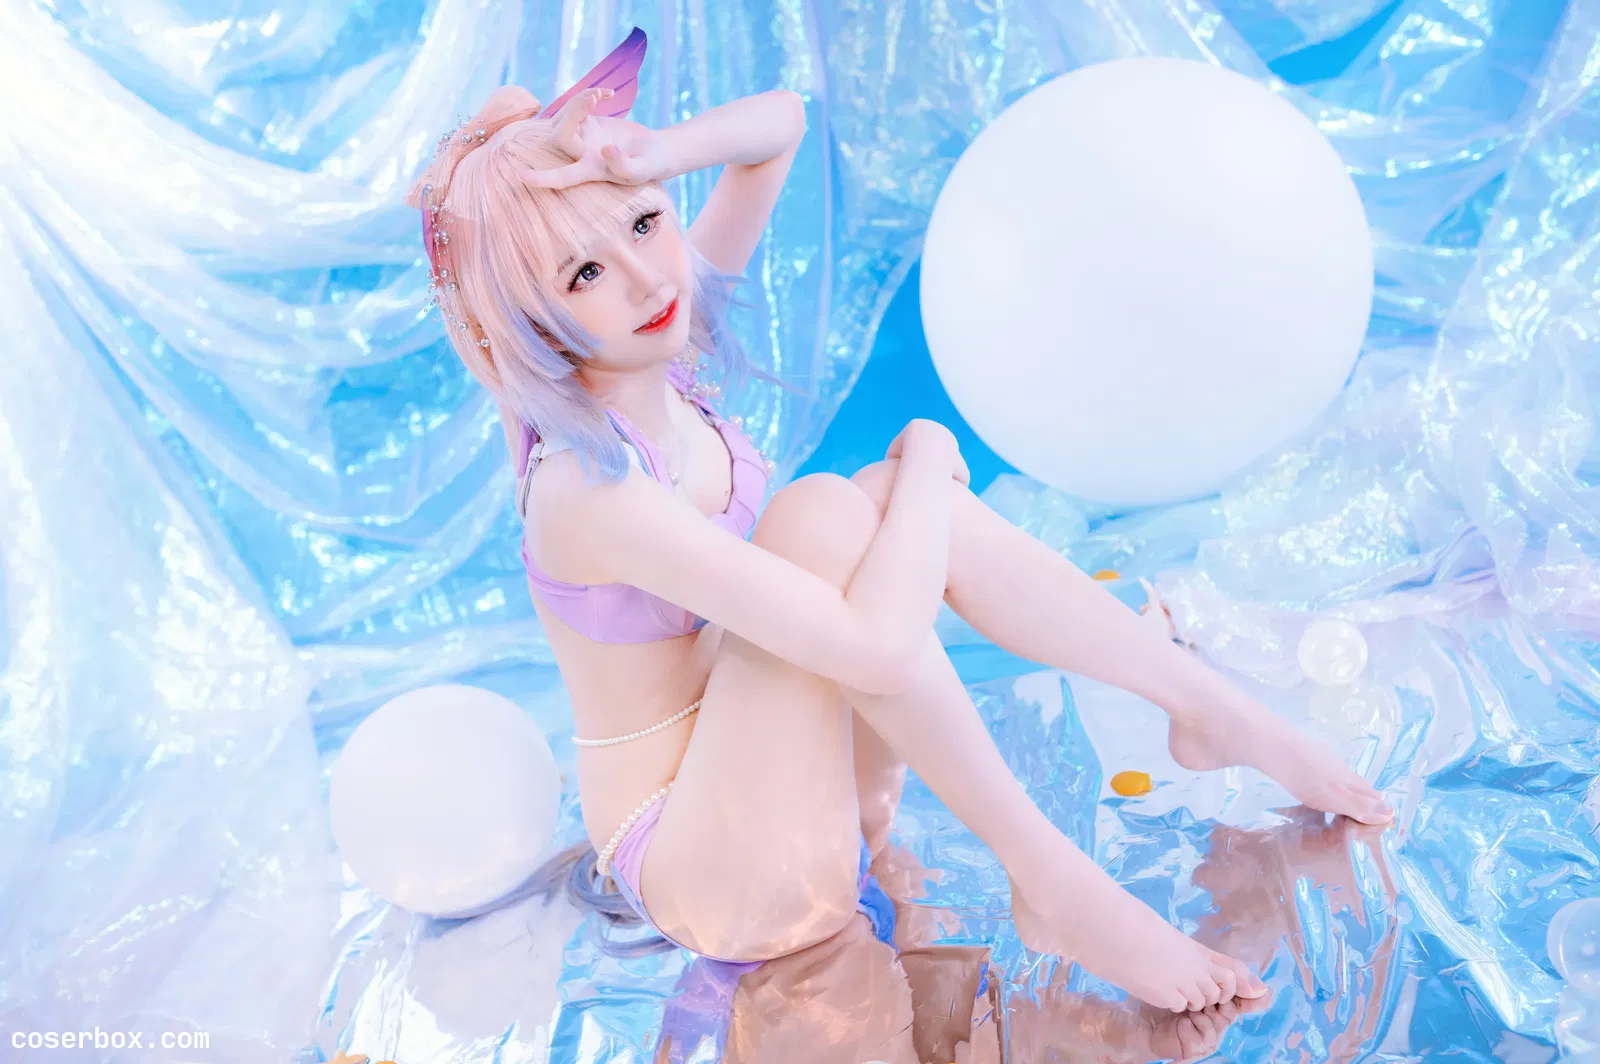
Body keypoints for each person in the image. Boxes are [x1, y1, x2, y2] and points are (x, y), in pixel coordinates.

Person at [405, 27, 1394, 1025]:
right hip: (716, 871)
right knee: (830, 513)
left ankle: (1203, 705)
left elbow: (778, 129)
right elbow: (876, 647)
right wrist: (926, 455)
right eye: (582, 274)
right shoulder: (586, 488)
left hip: (806, 790)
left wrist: (652, 154)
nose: (646, 276)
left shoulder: (663, 330)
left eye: (647, 222)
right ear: (523, 318)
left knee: (845, 510)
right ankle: (1051, 873)